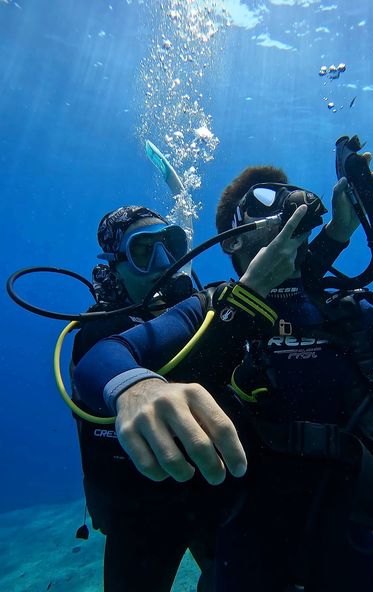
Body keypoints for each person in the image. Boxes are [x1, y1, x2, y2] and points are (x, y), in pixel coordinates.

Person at [73, 169, 373, 591]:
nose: (286, 208)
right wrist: (137, 387)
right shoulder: (209, 308)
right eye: (263, 201)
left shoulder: (345, 312)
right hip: (243, 535)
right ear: (232, 239)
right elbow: (103, 353)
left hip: (348, 527)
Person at [71, 205, 215, 592]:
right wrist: (134, 387)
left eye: (170, 245)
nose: (163, 262)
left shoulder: (203, 313)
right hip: (138, 509)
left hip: (214, 494)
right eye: (142, 250)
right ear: (115, 266)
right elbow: (96, 362)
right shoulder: (99, 331)